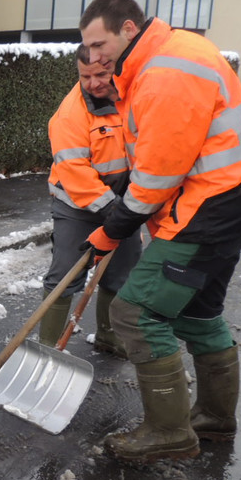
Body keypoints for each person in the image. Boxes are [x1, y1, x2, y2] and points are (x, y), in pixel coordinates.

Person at [79, 0, 241, 463]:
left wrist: (112, 229)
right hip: (237, 197)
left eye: (100, 44)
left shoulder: (164, 73)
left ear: (129, 28)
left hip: (212, 208)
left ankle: (168, 432)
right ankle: (214, 418)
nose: (95, 56)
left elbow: (157, 178)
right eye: (88, 48)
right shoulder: (172, 51)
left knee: (135, 313)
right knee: (198, 312)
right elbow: (161, 152)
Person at [38, 44, 141, 356]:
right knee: (65, 274)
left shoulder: (132, 98)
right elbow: (74, 171)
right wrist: (112, 209)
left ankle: (109, 336)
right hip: (77, 205)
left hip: (123, 201)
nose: (93, 83)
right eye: (85, 76)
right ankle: (48, 349)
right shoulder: (70, 115)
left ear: (116, 69)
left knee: (121, 272)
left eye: (101, 74)